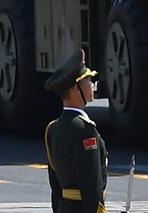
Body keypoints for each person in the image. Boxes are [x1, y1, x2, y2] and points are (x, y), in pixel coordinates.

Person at [44, 49, 108, 213]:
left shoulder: (53, 129)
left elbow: (55, 185)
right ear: (75, 89)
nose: (92, 85)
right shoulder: (84, 130)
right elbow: (91, 185)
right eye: (88, 81)